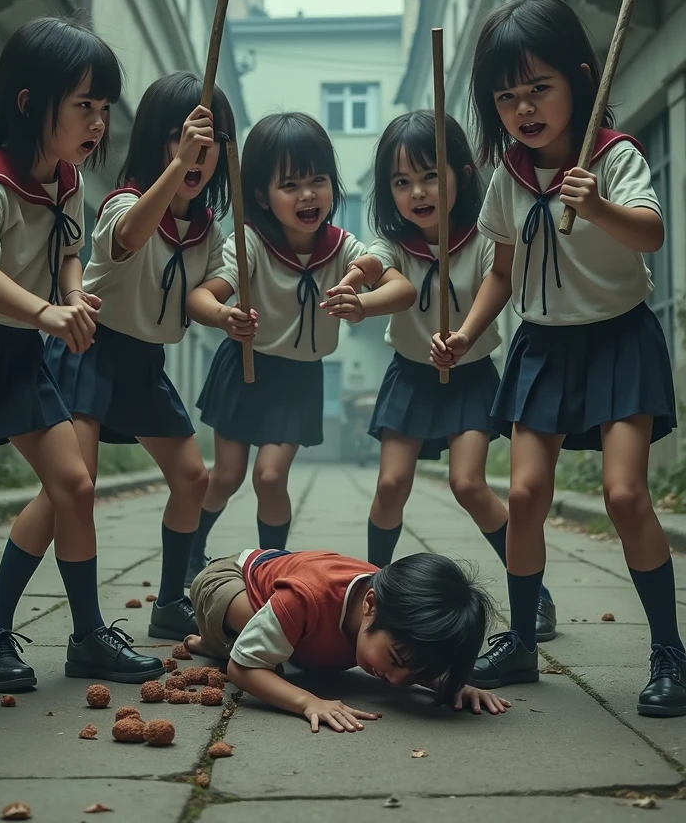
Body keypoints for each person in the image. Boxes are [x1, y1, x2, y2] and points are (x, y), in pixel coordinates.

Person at [432, 0, 684, 717]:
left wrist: (597, 202)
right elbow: (501, 274)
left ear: (581, 77)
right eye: (506, 97)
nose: (524, 109)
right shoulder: (507, 178)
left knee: (625, 494)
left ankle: (670, 652)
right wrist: (469, 334)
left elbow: (651, 236)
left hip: (619, 337)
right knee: (525, 495)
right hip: (541, 345)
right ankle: (518, 643)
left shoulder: (617, 156)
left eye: (539, 89)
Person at [0, 17, 162, 692]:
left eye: (105, 110)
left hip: (20, 351)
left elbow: (69, 252)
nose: (97, 124)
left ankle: (80, 636)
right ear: (30, 103)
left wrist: (74, 295)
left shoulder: (67, 183)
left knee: (75, 485)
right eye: (84, 105)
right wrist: (48, 313)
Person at [349, 109, 557, 643]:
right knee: (392, 484)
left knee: (468, 484)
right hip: (410, 376)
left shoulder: (486, 234)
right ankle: (372, 586)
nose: (417, 192)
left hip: (470, 376)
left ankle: (533, 590)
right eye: (401, 181)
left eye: (429, 175)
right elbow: (373, 266)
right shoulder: (396, 243)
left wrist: (463, 333)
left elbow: (502, 281)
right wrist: (354, 283)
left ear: (463, 173)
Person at [185, 112, 416, 576]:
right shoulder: (249, 242)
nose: (308, 194)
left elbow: (403, 289)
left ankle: (271, 567)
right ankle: (190, 552)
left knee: (270, 475)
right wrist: (225, 317)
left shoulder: (345, 246)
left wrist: (364, 304)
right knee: (225, 477)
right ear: (261, 197)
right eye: (289, 185)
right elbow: (200, 297)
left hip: (298, 377)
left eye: (318, 180)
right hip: (245, 364)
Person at [185, 548, 510, 731]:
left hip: (295, 610)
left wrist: (449, 683)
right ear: (370, 605)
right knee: (258, 636)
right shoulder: (305, 597)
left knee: (282, 643)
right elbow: (242, 669)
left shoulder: (392, 612)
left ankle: (250, 641)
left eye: (415, 673)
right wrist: (308, 702)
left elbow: (415, 656)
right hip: (230, 579)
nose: (398, 682)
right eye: (396, 660)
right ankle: (215, 642)